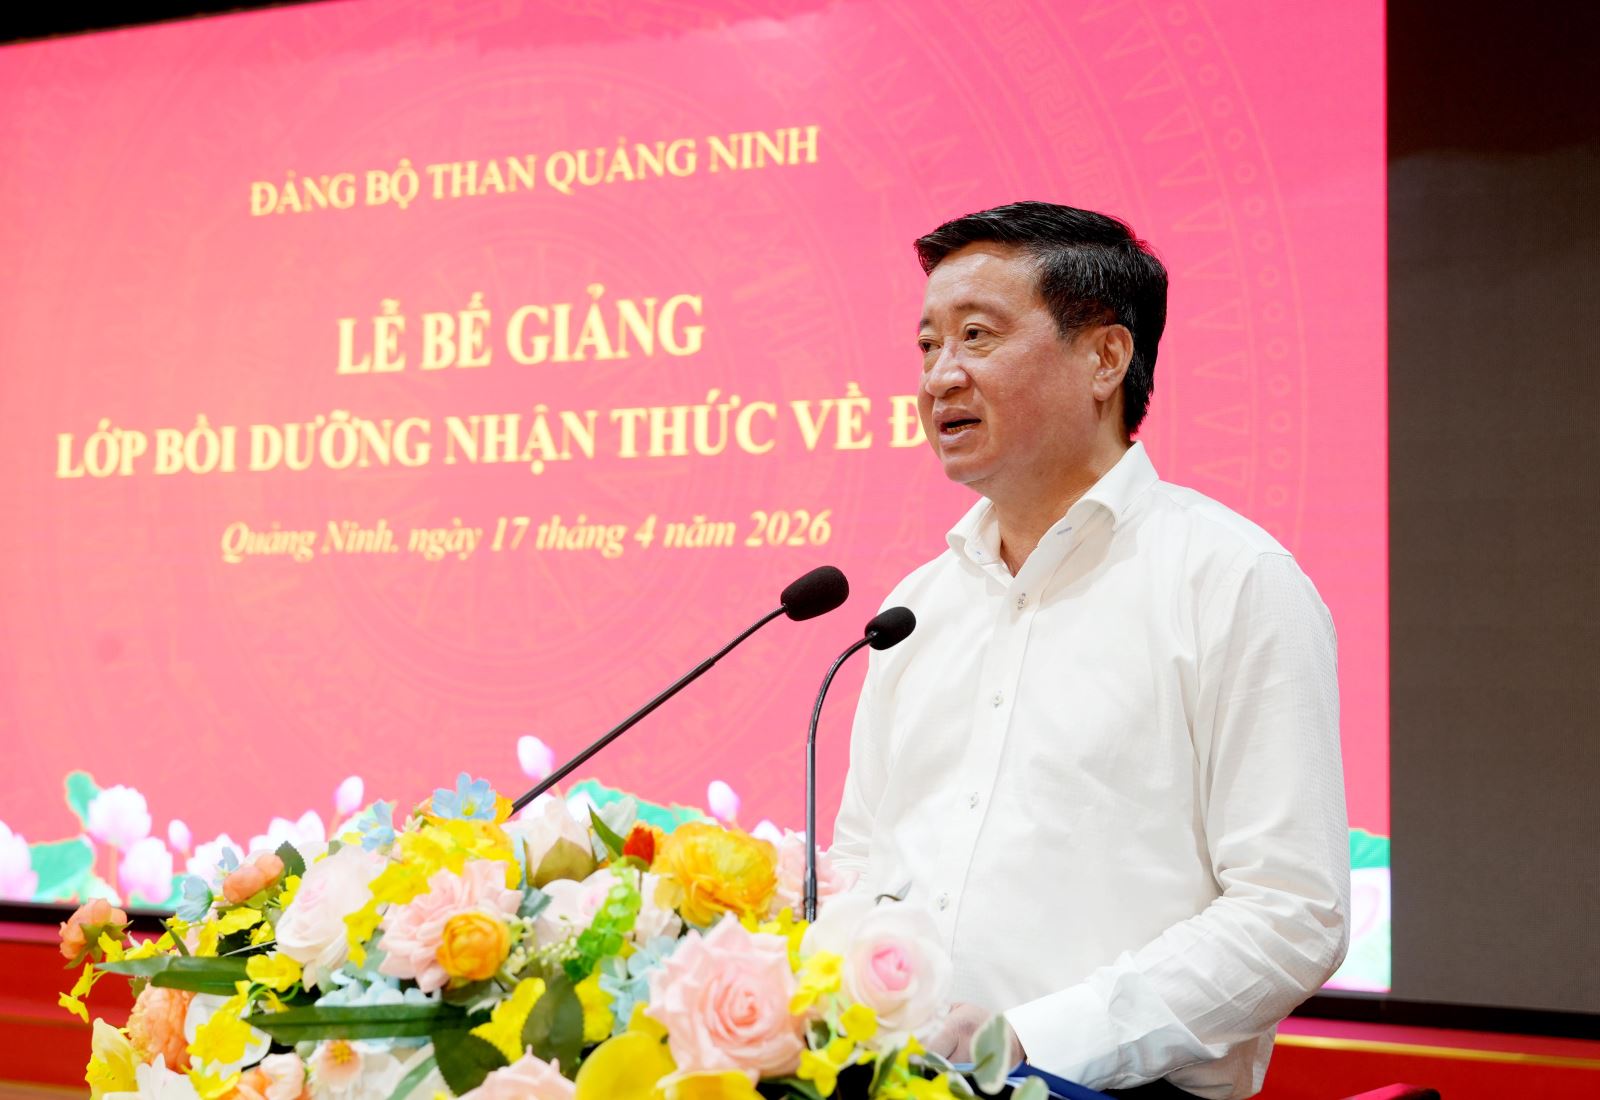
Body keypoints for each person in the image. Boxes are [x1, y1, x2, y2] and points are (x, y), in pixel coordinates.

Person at [830, 202, 1349, 1099]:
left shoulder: (1231, 580)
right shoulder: (916, 608)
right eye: (926, 345)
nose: (940, 376)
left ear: (1105, 358)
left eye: (976, 336)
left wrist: (1029, 1041)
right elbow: (864, 863)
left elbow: (1292, 911)